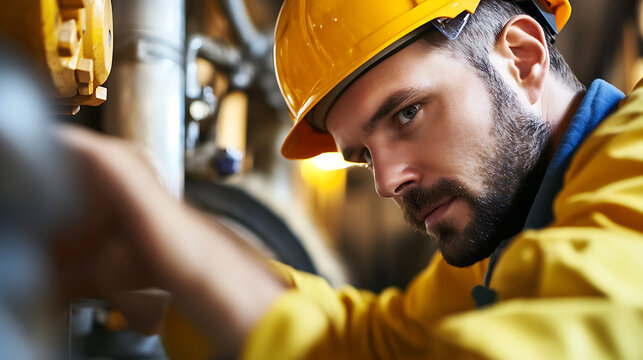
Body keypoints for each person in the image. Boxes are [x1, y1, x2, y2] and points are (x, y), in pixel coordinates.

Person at [55, 0, 643, 358]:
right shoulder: (520, 234)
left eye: (406, 112)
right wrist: (165, 261)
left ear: (521, 57)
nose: (386, 181)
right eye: (361, 154)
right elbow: (375, 347)